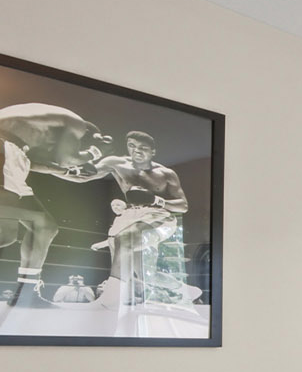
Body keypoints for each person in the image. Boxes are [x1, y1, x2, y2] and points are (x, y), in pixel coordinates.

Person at [0, 103, 113, 306]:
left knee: (45, 226)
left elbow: (32, 162)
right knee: (5, 236)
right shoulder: (75, 123)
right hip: (5, 154)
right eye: (79, 145)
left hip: (11, 159)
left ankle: (25, 293)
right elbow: (66, 157)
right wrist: (96, 152)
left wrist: (68, 172)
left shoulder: (34, 126)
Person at [76, 131, 190, 304]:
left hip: (160, 217)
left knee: (125, 238)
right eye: (132, 146)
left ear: (153, 152)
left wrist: (156, 200)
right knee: (144, 273)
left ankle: (110, 300)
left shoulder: (166, 173)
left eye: (143, 148)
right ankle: (186, 290)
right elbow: (85, 175)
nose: (137, 151)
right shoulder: (116, 163)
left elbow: (183, 206)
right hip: (131, 216)